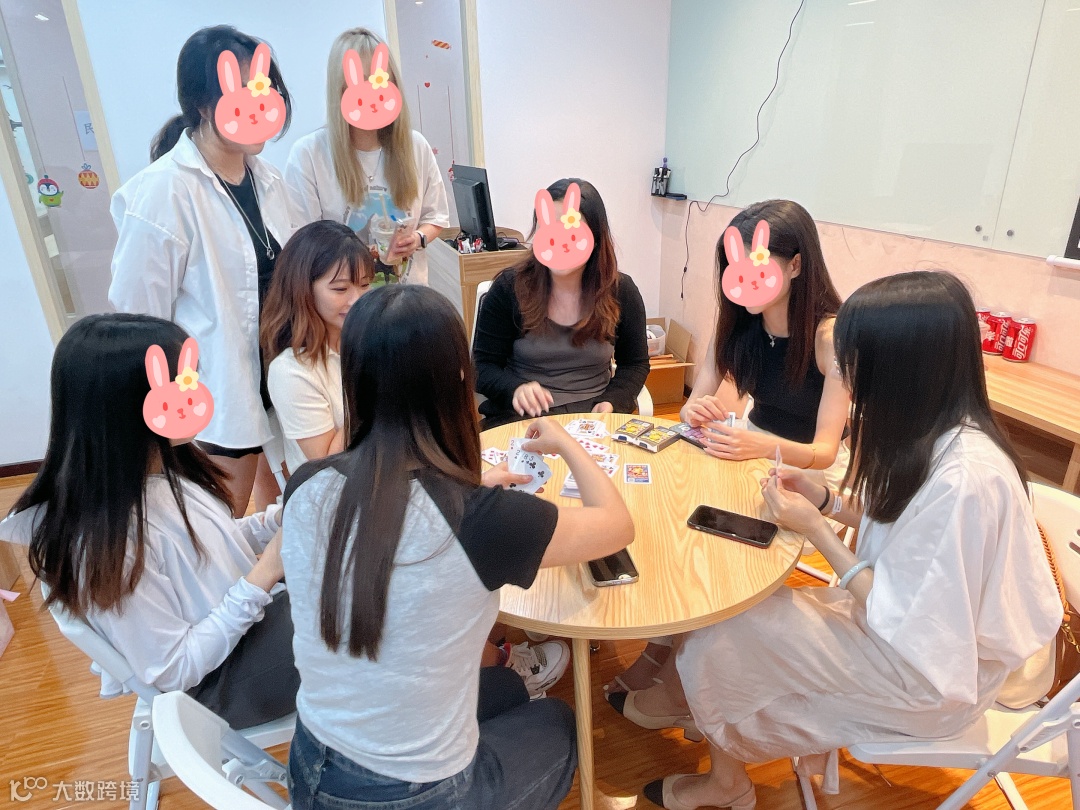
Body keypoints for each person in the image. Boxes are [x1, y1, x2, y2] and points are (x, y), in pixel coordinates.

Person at [607, 272, 1061, 810]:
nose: (844, 375)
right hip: (898, 632)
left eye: (854, 361)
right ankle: (701, 714)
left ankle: (723, 772)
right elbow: (897, 522)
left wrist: (817, 528)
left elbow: (910, 623)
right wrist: (825, 500)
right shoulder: (938, 433)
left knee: (717, 636)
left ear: (902, 364)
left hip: (928, 679)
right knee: (724, 611)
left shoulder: (965, 481)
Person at [281, 285, 635, 810]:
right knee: (559, 720)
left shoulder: (306, 484)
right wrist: (566, 441)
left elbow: (400, 518)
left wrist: (468, 490)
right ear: (458, 382)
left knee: (508, 689)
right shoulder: (478, 519)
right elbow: (617, 525)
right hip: (415, 797)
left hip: (310, 764)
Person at [0, 315, 299, 729]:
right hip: (222, 685)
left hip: (248, 641)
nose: (199, 394)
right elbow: (174, 669)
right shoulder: (106, 544)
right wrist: (264, 574)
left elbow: (208, 551)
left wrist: (280, 519)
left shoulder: (162, 474)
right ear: (128, 406)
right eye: (184, 383)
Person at [610, 199, 851, 695]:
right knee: (680, 520)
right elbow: (701, 402)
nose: (741, 282)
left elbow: (826, 451)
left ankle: (679, 663)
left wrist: (756, 444)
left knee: (711, 541)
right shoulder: (743, 319)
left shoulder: (831, 337)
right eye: (733, 268)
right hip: (753, 445)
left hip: (810, 471)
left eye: (754, 266)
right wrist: (698, 411)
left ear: (796, 265)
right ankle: (666, 648)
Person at [109, 26, 296, 518]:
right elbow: (137, 316)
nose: (263, 105)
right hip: (215, 389)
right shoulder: (164, 193)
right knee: (218, 523)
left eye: (268, 90)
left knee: (279, 509)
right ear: (203, 105)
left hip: (274, 375)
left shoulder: (268, 180)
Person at [472, 178, 650, 429]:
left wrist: (612, 401)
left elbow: (635, 363)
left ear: (595, 237)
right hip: (521, 417)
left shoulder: (621, 291)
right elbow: (482, 367)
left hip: (592, 417)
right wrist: (515, 389)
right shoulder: (510, 288)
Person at [286, 27, 449, 287]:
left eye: (381, 81)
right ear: (340, 89)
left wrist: (416, 239)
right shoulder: (309, 154)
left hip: (406, 299)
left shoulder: (416, 146)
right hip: (346, 304)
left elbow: (435, 217)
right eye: (360, 83)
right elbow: (303, 244)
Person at [263, 220, 374, 477]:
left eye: (365, 285)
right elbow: (329, 462)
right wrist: (383, 389)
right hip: (335, 489)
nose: (357, 300)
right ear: (303, 290)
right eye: (341, 289)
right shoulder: (292, 370)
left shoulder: (369, 338)